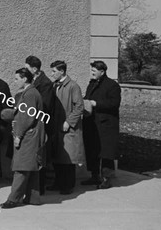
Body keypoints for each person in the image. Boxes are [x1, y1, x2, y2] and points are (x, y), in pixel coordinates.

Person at [0, 68, 46, 209]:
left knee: (21, 167)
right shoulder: (29, 93)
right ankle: (33, 198)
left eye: (16, 79)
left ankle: (13, 199)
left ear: (25, 79)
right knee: (30, 167)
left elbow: (26, 117)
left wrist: (18, 135)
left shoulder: (30, 94)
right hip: (31, 134)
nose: (15, 82)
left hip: (28, 135)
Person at [82, 60, 121, 189]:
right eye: (91, 70)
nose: (92, 73)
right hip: (92, 123)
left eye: (94, 71)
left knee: (106, 153)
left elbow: (114, 104)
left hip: (106, 126)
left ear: (102, 72)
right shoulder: (92, 84)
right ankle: (94, 176)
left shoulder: (112, 85)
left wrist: (95, 103)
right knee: (92, 150)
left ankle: (106, 179)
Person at [47, 60, 85, 195]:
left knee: (68, 159)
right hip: (56, 126)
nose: (52, 74)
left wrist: (69, 121)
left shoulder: (73, 86)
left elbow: (79, 106)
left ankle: (68, 185)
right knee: (58, 157)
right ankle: (58, 183)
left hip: (67, 128)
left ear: (62, 71)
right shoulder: (55, 86)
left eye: (54, 71)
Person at [24, 55, 55, 195]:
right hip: (33, 123)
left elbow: (45, 105)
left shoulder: (45, 83)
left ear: (34, 69)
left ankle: (39, 188)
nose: (25, 71)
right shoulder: (35, 81)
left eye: (27, 68)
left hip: (40, 124)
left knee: (39, 157)